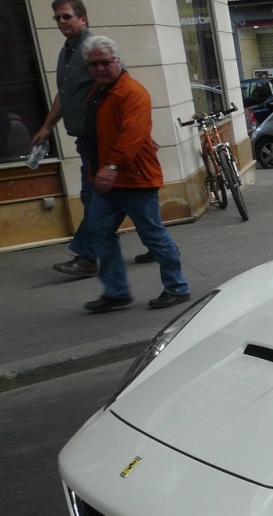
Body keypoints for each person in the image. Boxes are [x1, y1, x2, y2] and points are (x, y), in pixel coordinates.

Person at [79, 36, 191, 314]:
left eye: (106, 62)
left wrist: (112, 166)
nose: (100, 68)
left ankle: (177, 288)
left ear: (118, 61)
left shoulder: (132, 92)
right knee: (99, 232)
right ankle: (116, 293)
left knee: (152, 234)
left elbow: (131, 135)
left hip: (134, 178)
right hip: (106, 181)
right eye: (94, 64)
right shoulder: (98, 91)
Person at [32, 0, 100, 279]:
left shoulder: (93, 48)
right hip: (85, 139)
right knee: (119, 197)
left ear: (82, 19)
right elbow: (65, 96)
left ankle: (87, 257)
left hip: (99, 138)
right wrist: (47, 127)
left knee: (93, 197)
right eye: (57, 18)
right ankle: (157, 245)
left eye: (66, 16)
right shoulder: (67, 53)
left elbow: (117, 84)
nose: (61, 22)